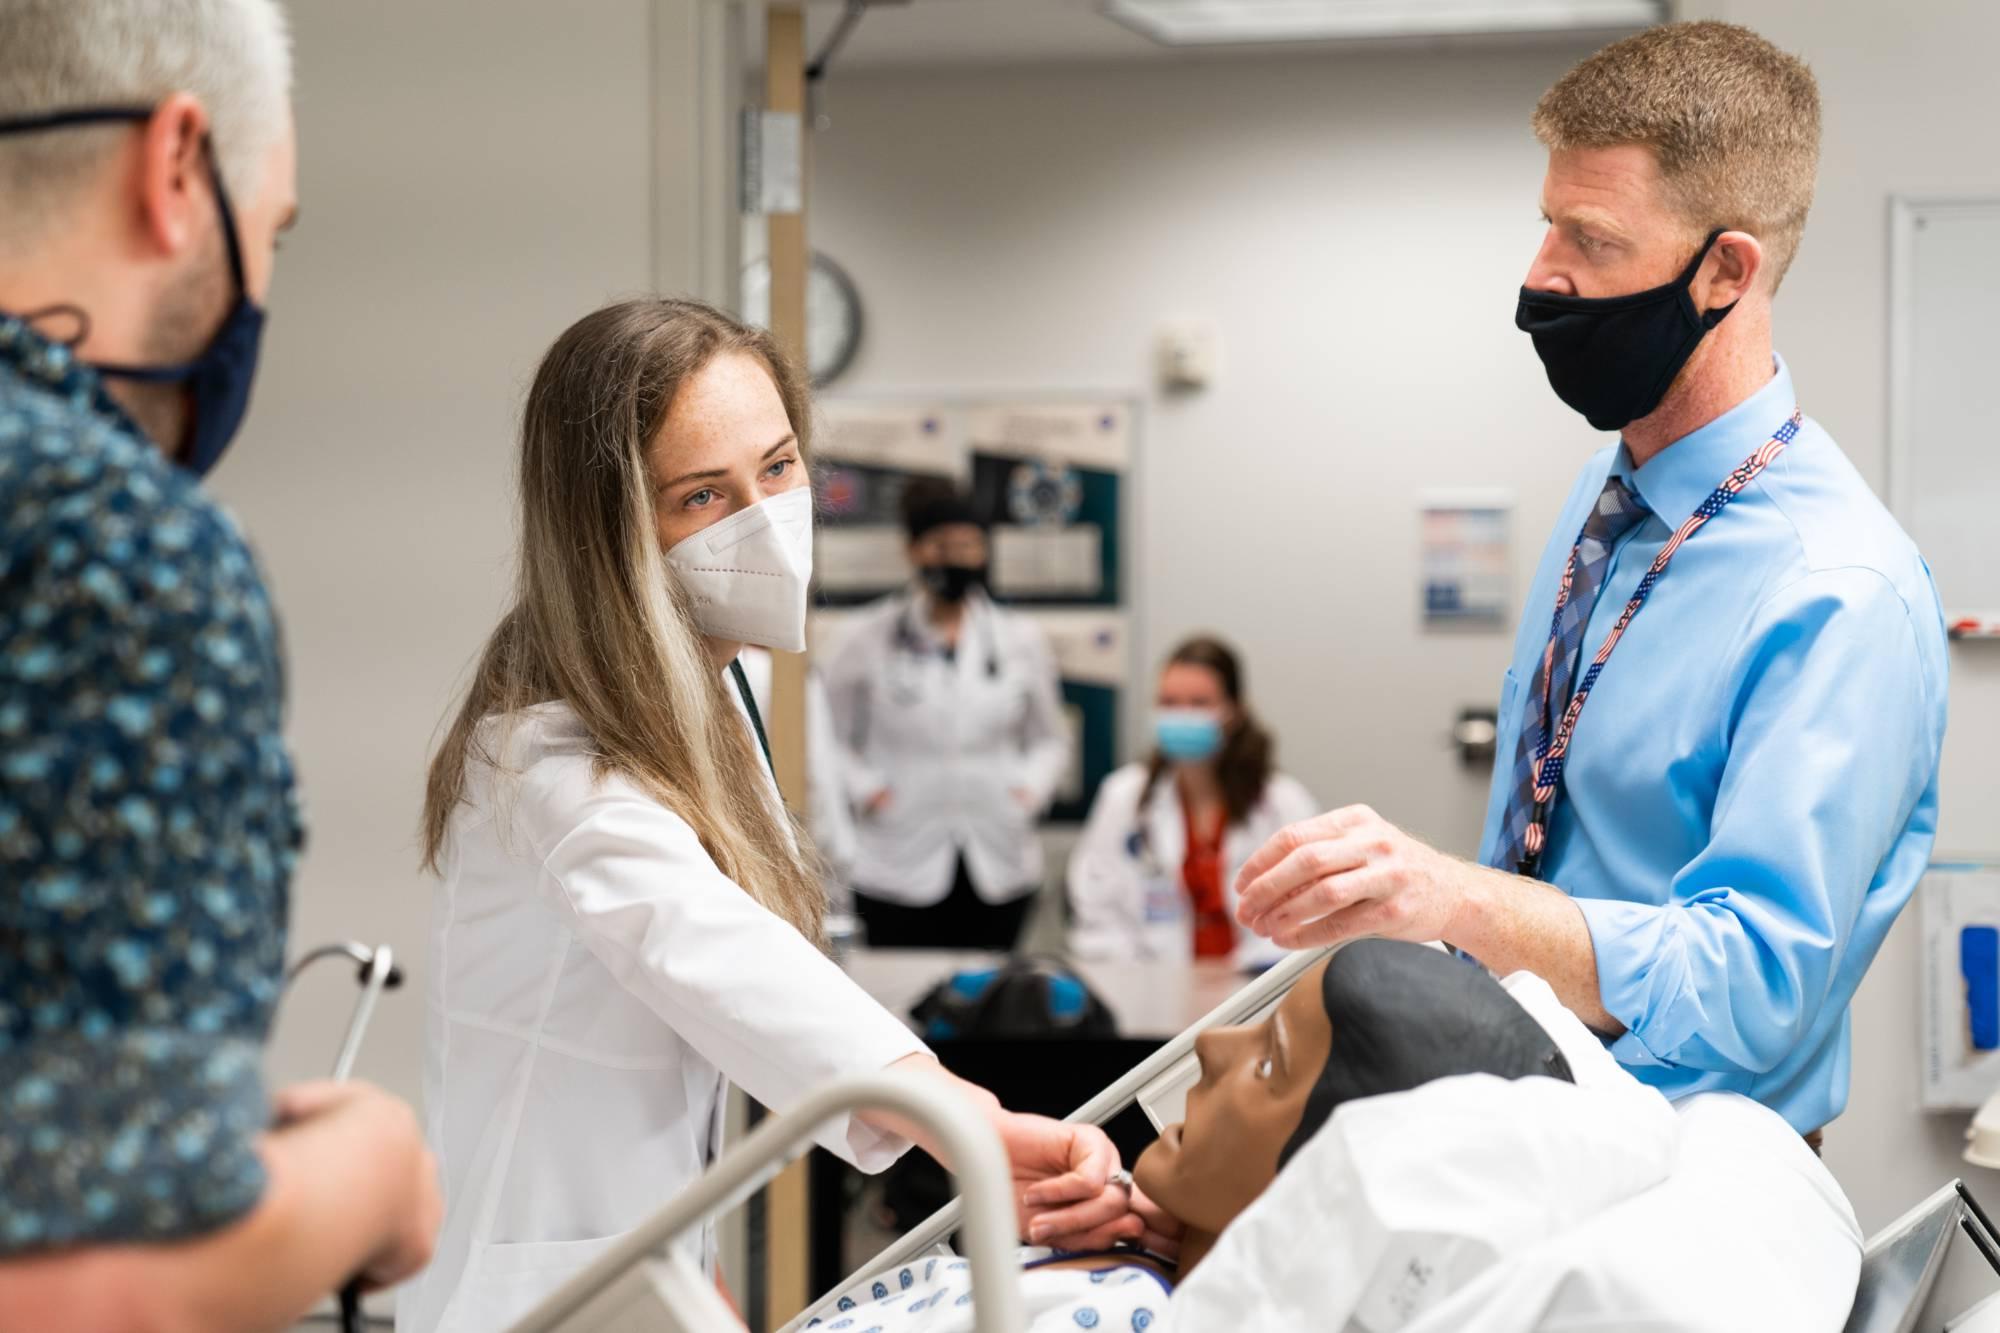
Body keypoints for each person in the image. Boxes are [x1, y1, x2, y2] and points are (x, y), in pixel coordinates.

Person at [1231, 20, 1950, 1146]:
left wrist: (1453, 899)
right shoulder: (1605, 499)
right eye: (1543, 225)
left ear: (1724, 270)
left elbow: (1754, 981)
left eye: (1589, 238)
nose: (1539, 277)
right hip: (1530, 1127)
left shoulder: (1838, 590)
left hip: (1689, 1177)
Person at [406, 299, 1140, 1333]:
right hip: (539, 1278)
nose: (761, 515)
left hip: (650, 1246)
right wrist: (954, 1115)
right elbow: (696, 939)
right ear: (606, 530)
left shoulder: (717, 681)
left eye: (779, 467)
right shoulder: (539, 749)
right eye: (703, 494)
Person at [0, 3, 441, 1330]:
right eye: (277, 231)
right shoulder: (99, 537)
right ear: (176, 167)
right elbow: (89, 1288)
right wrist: (369, 1175)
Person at [823, 480, 1071, 950]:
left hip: (998, 856)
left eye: (968, 545)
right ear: (913, 550)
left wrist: (1030, 792)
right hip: (896, 857)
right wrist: (866, 789)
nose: (955, 558)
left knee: (988, 1004)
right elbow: (827, 736)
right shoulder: (864, 636)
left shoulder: (1020, 638)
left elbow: (1050, 739)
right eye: (941, 545)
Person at [1068, 635, 1318, 967]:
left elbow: (1309, 914)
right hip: (1147, 993)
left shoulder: (1282, 803)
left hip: (1251, 994)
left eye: (1199, 703)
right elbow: (1096, 914)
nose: (1182, 715)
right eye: (1169, 703)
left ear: (1234, 711)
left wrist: (1245, 979)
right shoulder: (1124, 798)